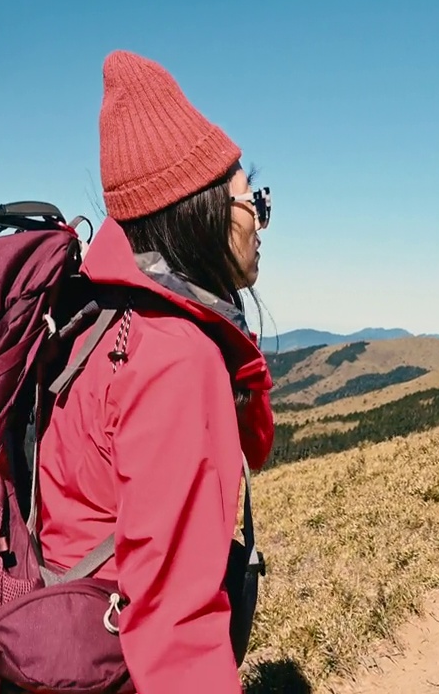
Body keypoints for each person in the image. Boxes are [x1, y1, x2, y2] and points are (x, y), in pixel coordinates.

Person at [34, 50, 275, 693]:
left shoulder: (101, 314)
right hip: (109, 665)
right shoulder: (177, 359)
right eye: (254, 202)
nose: (263, 223)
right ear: (202, 215)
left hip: (60, 634)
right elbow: (175, 625)